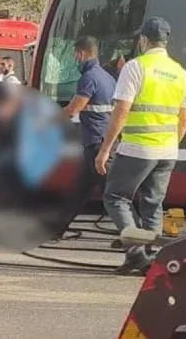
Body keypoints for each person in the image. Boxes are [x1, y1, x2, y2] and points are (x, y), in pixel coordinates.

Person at [95, 17, 186, 275]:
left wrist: (106, 148)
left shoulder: (136, 67)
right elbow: (184, 119)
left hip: (137, 148)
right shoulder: (181, 74)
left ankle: (136, 253)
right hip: (168, 149)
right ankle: (152, 259)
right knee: (152, 203)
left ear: (144, 40)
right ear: (166, 41)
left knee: (115, 197)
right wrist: (169, 144)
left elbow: (121, 111)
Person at [59, 36, 117, 232]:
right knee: (79, 190)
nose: (76, 59)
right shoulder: (108, 77)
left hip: (96, 144)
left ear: (81, 54)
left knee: (112, 196)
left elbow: (74, 108)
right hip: (101, 141)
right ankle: (57, 228)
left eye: (76, 55)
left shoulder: (89, 78)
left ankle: (133, 234)